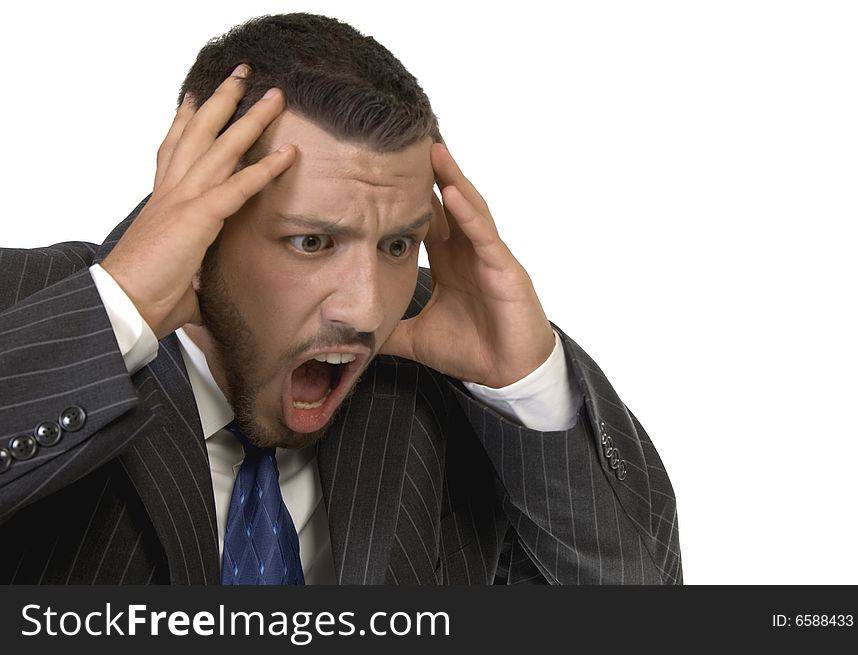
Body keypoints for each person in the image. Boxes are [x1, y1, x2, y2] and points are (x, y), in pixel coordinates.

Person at [0, 13, 680, 585]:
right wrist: (116, 313)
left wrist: (529, 394)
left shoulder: (453, 370)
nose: (363, 311)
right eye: (312, 242)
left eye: (395, 246)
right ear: (202, 226)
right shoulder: (24, 309)